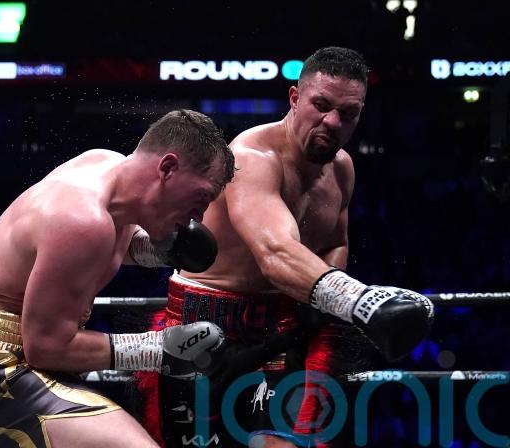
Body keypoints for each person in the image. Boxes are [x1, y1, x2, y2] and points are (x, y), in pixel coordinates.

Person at [137, 47, 434, 448]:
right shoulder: (251, 157)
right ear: (295, 98)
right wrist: (361, 301)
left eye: (348, 113)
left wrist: (322, 301)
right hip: (201, 330)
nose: (333, 122)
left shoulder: (342, 168)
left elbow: (335, 243)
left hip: (280, 331)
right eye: (321, 106)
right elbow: (275, 252)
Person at [0, 109, 237, 448]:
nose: (198, 216)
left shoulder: (103, 167)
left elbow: (96, 247)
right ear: (167, 168)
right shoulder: (82, 220)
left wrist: (155, 250)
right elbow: (45, 347)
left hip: (28, 366)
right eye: (201, 198)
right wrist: (155, 349)